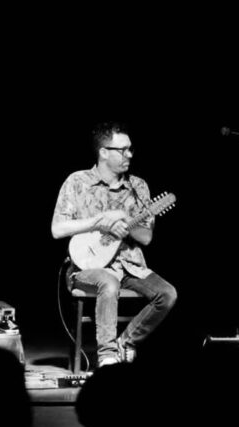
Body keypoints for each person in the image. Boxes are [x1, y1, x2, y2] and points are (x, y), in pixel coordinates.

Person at [52, 121, 177, 367]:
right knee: (108, 282)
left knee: (168, 294)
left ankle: (126, 342)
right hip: (86, 266)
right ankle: (108, 356)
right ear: (103, 152)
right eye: (122, 150)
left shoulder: (138, 186)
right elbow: (57, 229)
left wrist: (125, 219)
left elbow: (147, 238)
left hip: (131, 266)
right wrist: (100, 222)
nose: (129, 154)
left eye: (130, 148)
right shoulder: (77, 181)